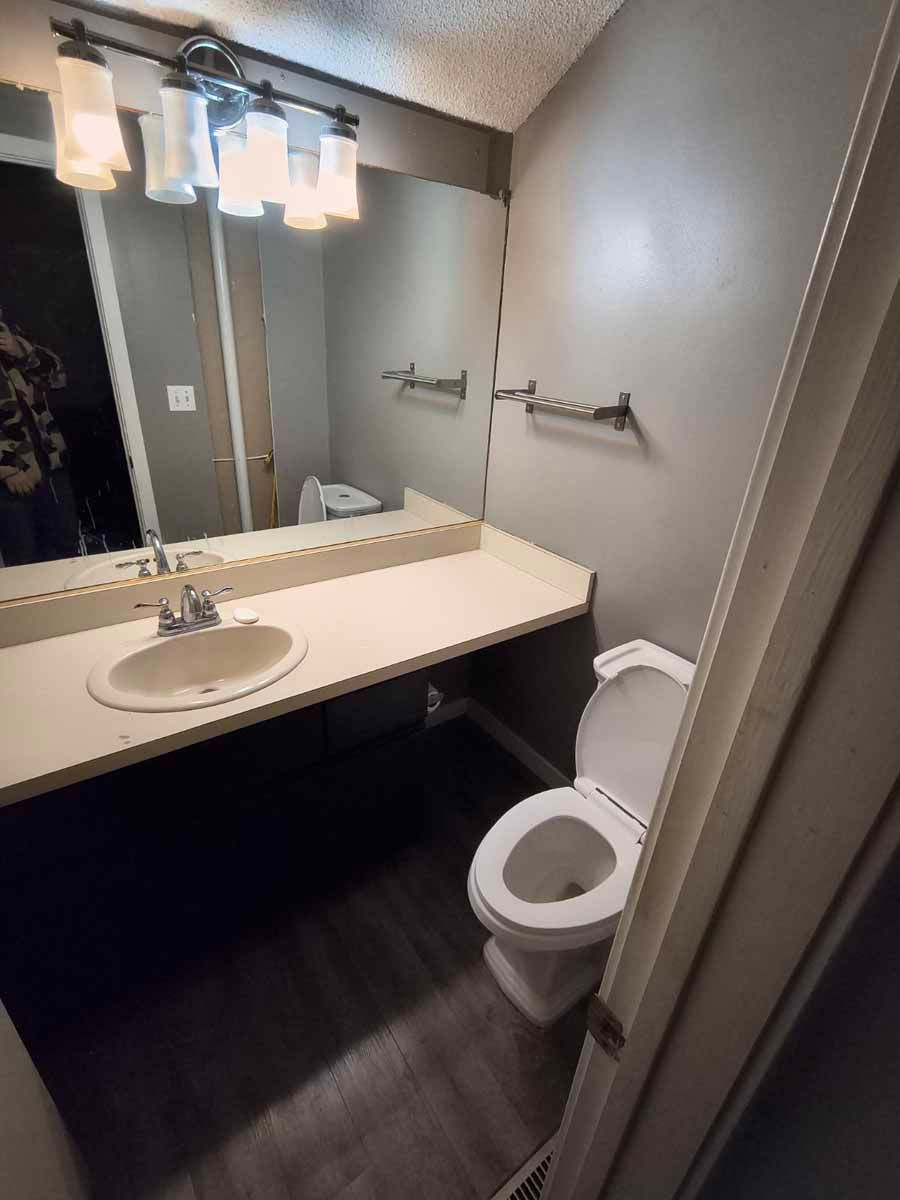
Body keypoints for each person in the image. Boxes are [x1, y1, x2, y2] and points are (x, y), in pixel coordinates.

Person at [0, 309, 79, 565]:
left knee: (65, 548)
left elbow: (57, 377)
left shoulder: (14, 334)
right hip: (9, 479)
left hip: (49, 463)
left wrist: (21, 351)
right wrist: (8, 469)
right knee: (24, 559)